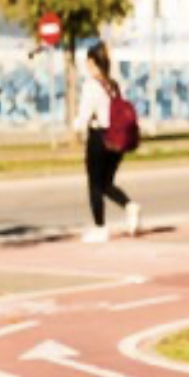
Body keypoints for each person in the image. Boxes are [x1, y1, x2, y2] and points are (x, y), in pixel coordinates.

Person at [74, 41, 141, 244]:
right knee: (106, 183)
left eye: (88, 60)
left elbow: (84, 116)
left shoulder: (91, 86)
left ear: (93, 62)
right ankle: (129, 205)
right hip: (116, 139)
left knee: (94, 184)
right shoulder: (113, 85)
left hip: (99, 137)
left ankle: (100, 228)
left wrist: (75, 127)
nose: (86, 64)